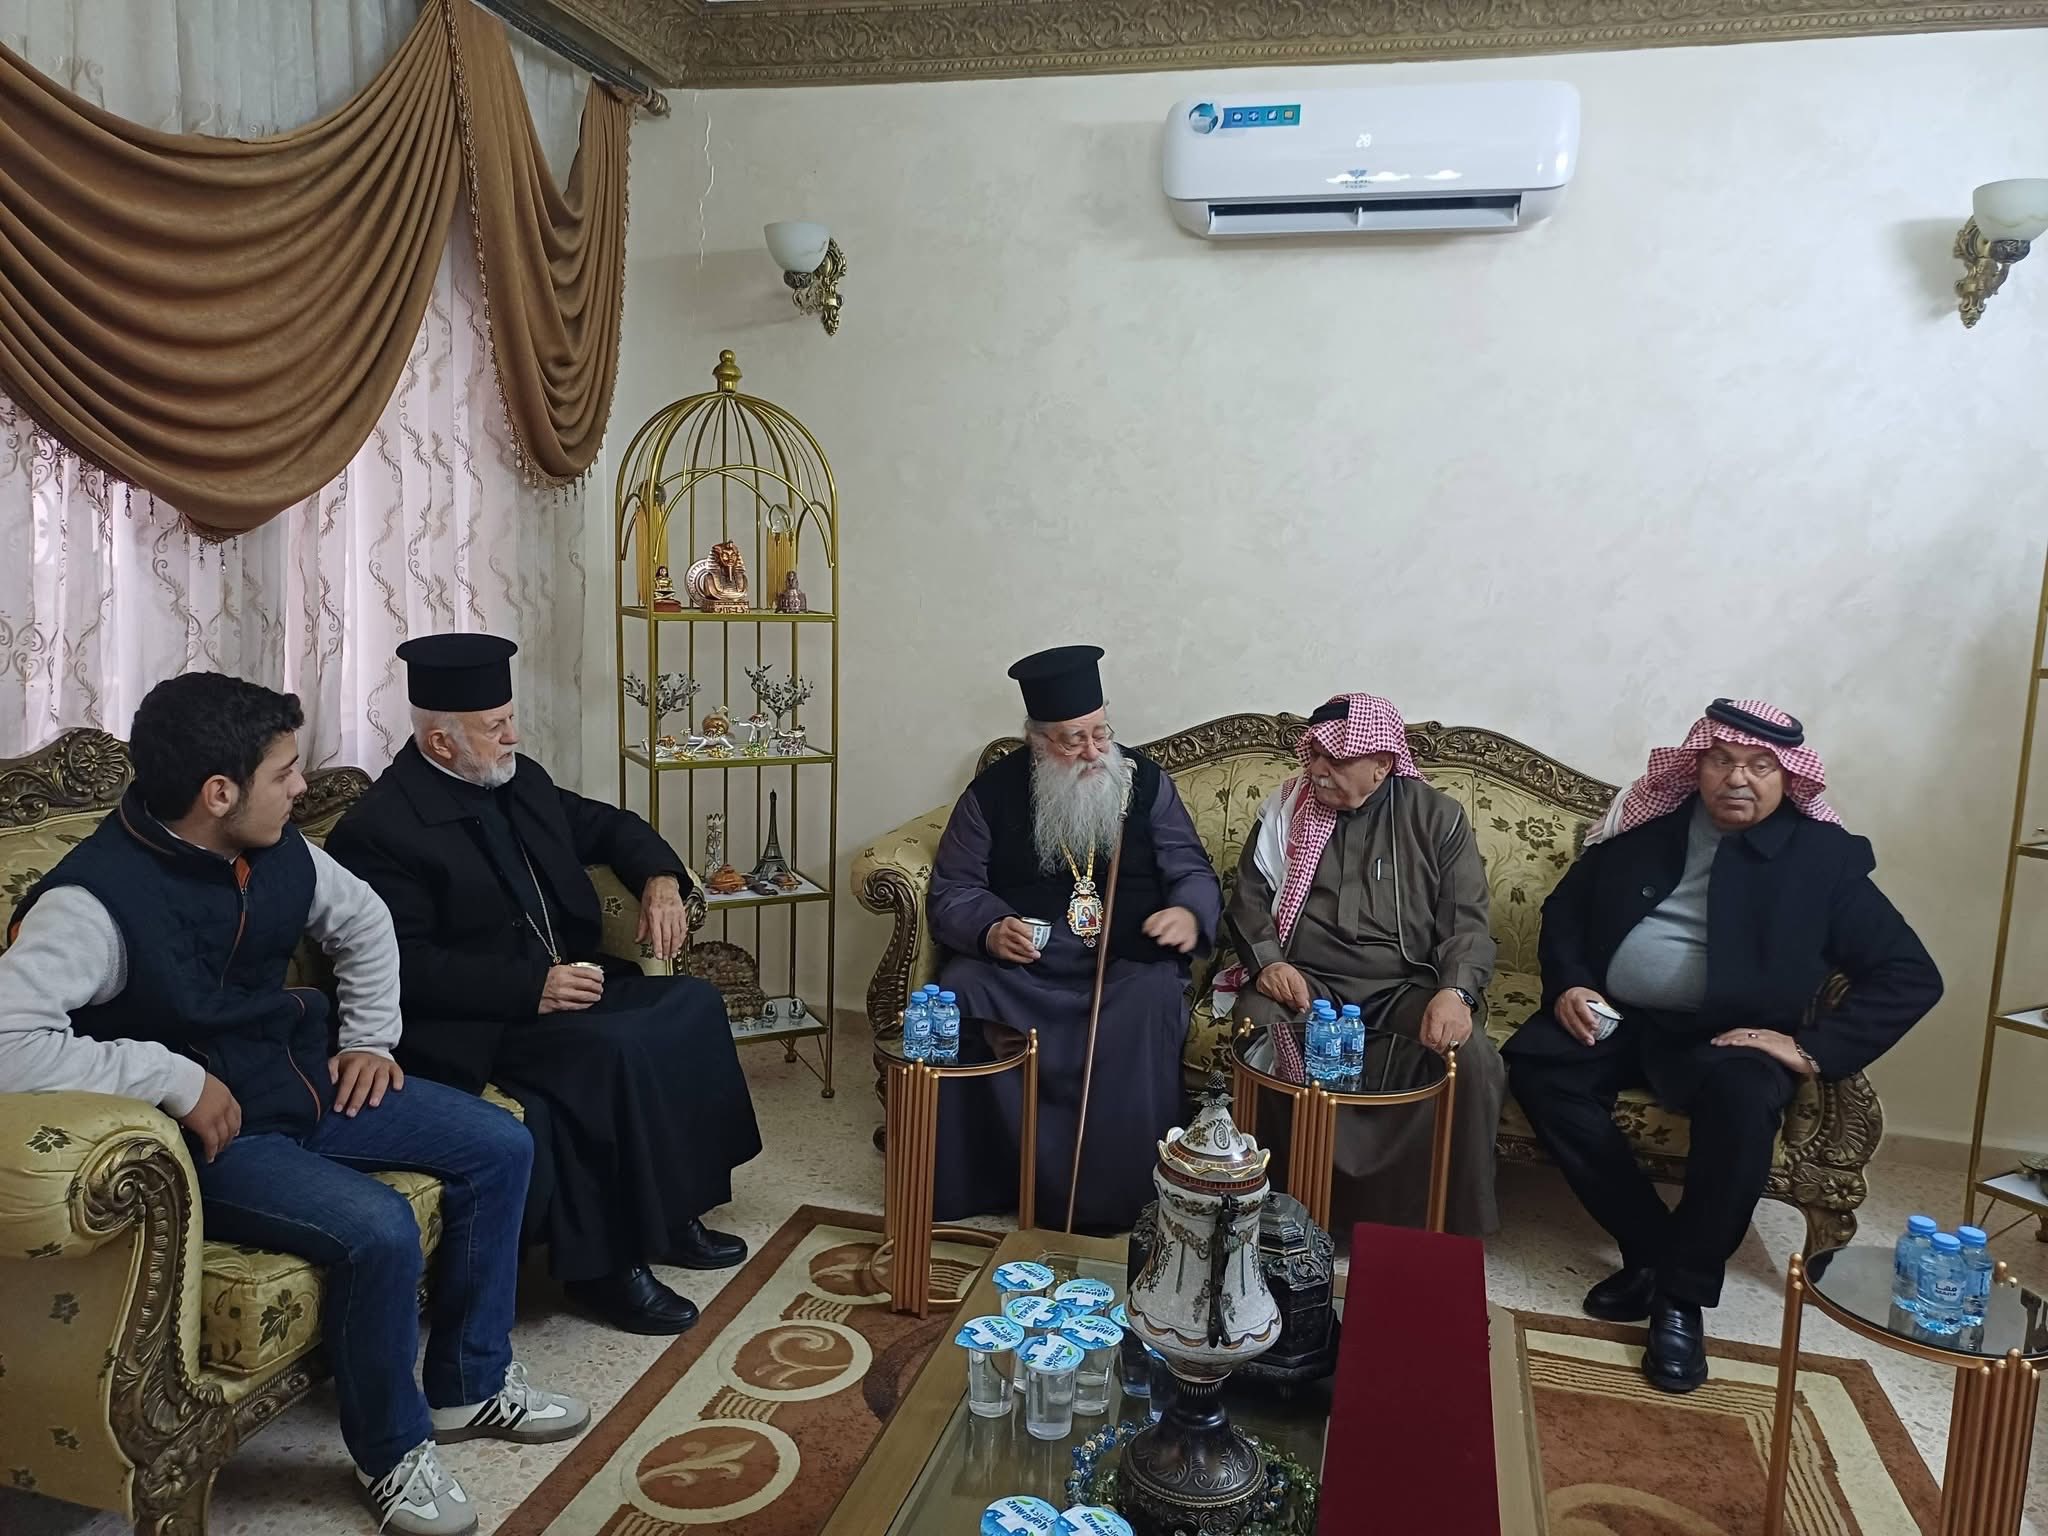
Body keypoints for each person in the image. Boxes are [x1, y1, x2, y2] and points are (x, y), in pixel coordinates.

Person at [0, 674, 584, 1536]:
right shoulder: (90, 903)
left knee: (499, 1145)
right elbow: (9, 1040)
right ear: (219, 793)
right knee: (378, 1227)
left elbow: (365, 921)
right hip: (207, 1137)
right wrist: (171, 1078)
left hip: (300, 1081)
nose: (302, 788)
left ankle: (471, 1385)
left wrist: (371, 1040)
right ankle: (393, 1453)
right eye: (284, 773)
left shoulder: (277, 848)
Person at [324, 635, 762, 1337]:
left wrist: (660, 879)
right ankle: (603, 1270)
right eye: (495, 726)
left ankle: (672, 1215)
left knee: (691, 1004)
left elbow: (609, 826)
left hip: (570, 987)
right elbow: (403, 964)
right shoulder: (380, 830)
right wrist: (532, 985)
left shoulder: (516, 780)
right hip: (480, 1019)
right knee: (610, 1053)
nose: (513, 736)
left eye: (510, 718)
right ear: (440, 742)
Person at [1505, 699, 1941, 1393]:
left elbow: (1910, 974)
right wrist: (1571, 984)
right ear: (1698, 765)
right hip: (1621, 1018)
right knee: (1540, 1068)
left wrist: (1811, 1049)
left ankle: (1680, 1297)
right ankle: (1651, 1249)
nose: (1738, 778)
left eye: (1760, 765)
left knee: (1743, 1101)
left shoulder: (1821, 859)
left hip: (1730, 1036)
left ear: (1788, 777)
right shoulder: (1646, 828)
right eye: (1722, 760)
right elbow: (1565, 911)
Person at [927, 645, 1223, 1232]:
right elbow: (954, 887)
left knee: (1151, 997)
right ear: (1038, 740)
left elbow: (1191, 867)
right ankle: (997, 1180)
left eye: (1100, 733)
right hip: (1030, 965)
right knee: (962, 987)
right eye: (1073, 740)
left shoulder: (1144, 783)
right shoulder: (992, 794)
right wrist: (991, 928)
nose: (1092, 751)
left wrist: (1188, 913)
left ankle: (1120, 1198)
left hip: (1124, 961)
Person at [1220, 693, 1505, 1237]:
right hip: (1308, 981)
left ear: (1382, 763)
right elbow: (1249, 901)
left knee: (1469, 1059)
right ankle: (1270, 1208)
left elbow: (1467, 923)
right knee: (1259, 1027)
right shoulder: (1288, 809)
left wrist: (1457, 993)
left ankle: (1446, 1226)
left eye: (1337, 758)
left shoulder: (1437, 818)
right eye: (1314, 755)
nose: (1318, 770)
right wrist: (1268, 963)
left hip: (1406, 986)